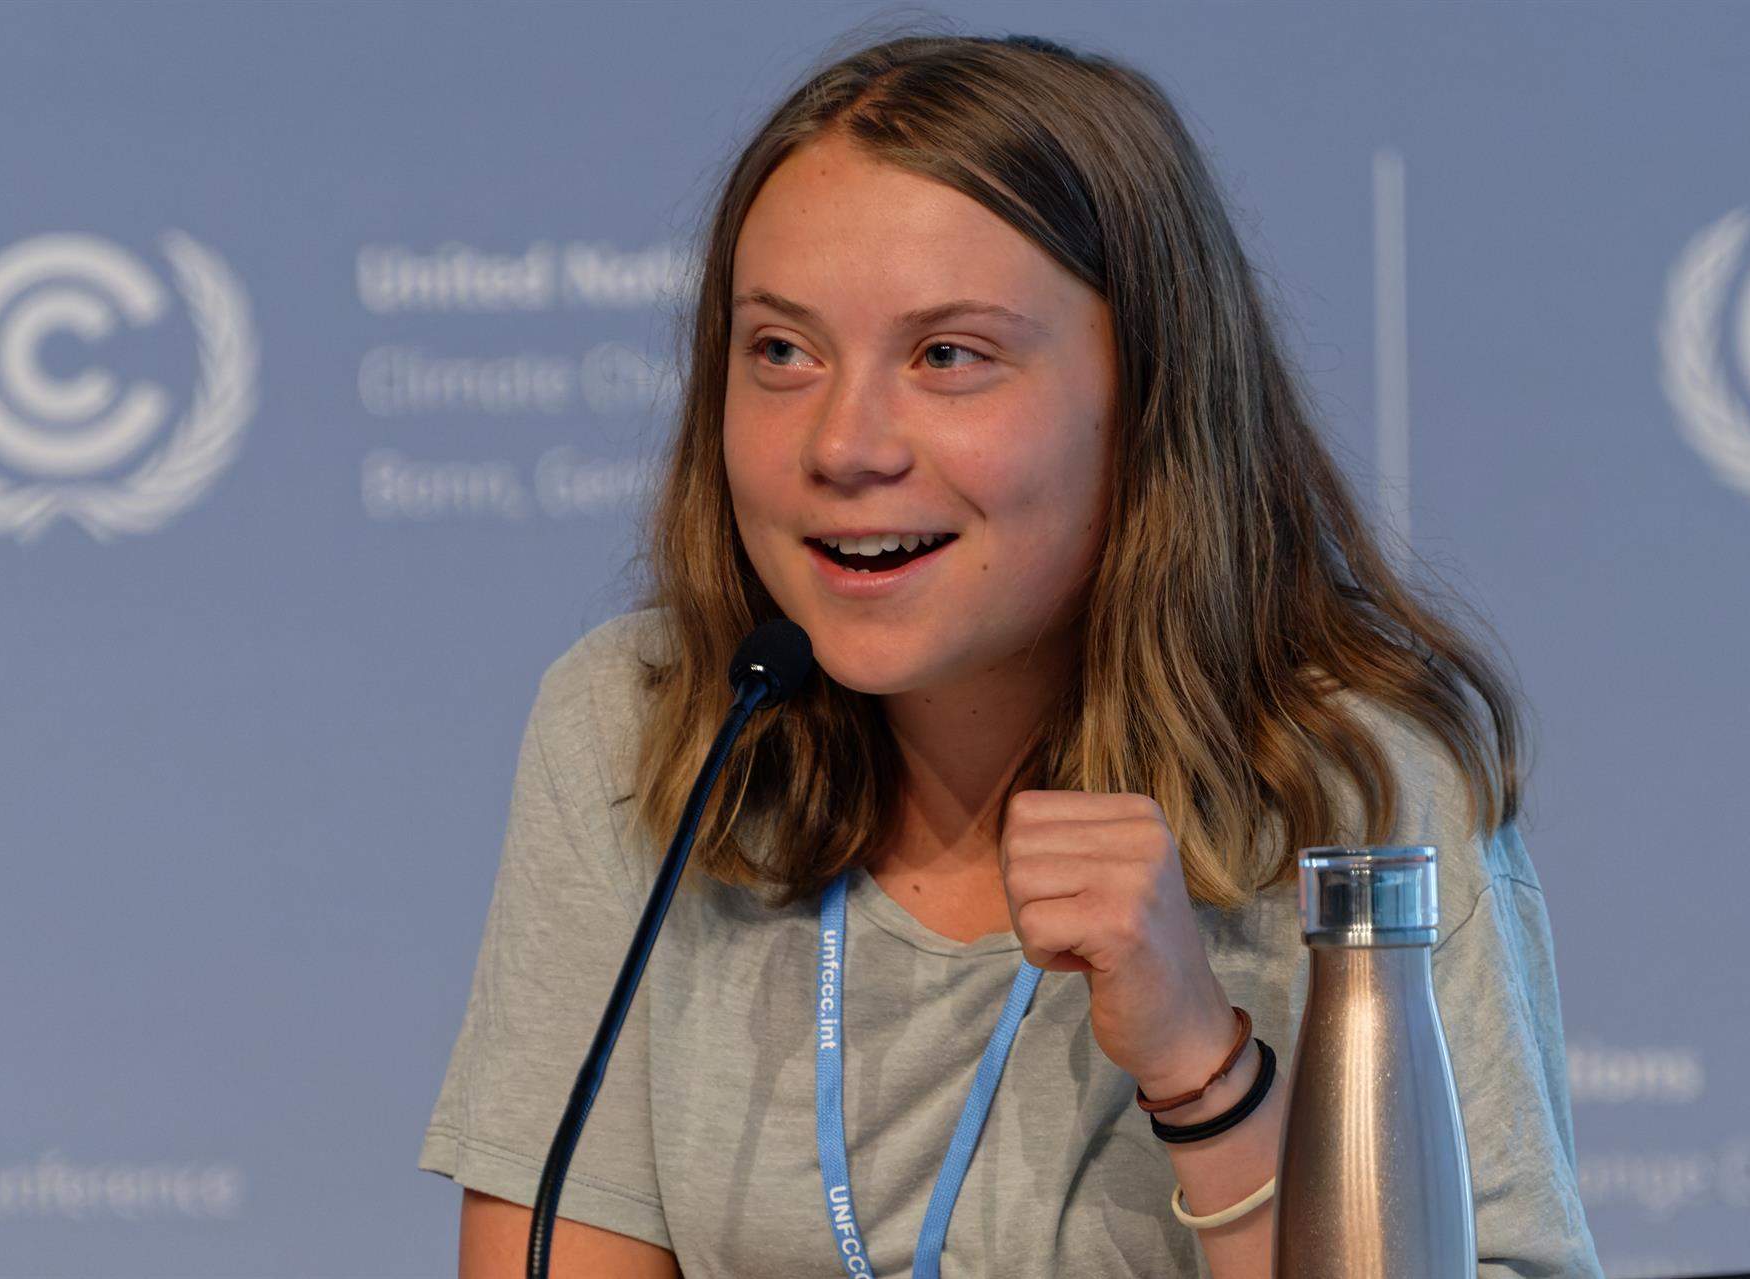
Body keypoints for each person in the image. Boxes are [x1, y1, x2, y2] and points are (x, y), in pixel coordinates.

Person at [419, 27, 1604, 1279]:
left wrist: (1202, 1069)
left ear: (1145, 393)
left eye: (946, 356)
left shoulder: (1360, 786)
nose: (844, 443)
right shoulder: (645, 728)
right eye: (781, 351)